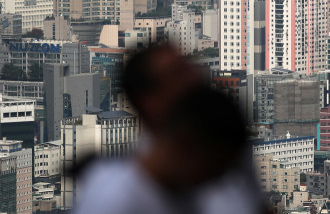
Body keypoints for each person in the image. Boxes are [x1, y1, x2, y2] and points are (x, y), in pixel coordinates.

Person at [73, 45, 264, 214]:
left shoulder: (223, 143)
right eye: (179, 73)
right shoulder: (114, 197)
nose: (194, 77)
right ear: (148, 101)